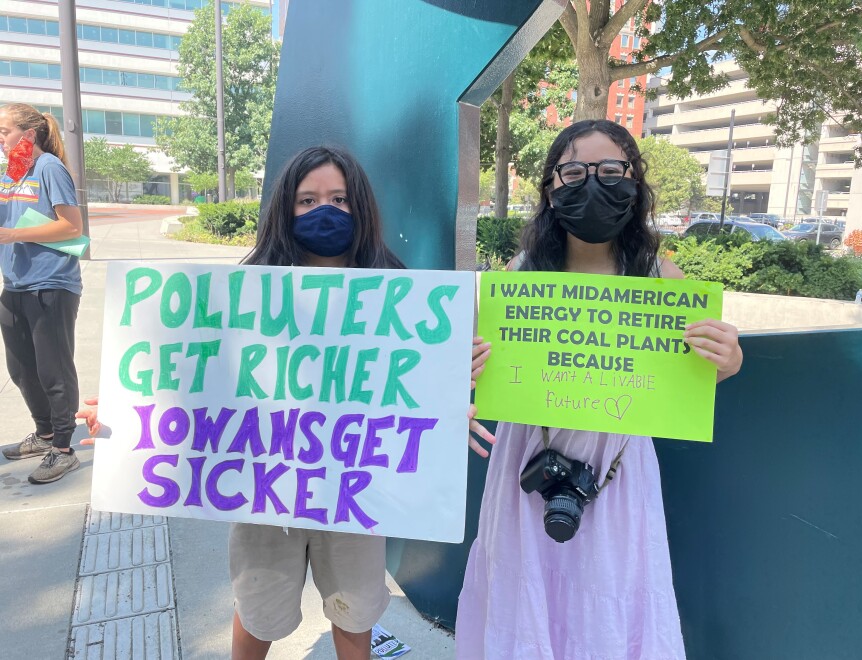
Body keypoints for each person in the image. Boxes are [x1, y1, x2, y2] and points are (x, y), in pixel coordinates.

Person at [458, 120, 743, 659]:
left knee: (609, 595)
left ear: (634, 182)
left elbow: (698, 375)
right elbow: (477, 367)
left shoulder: (661, 277)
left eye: (611, 171)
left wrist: (727, 359)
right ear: (550, 187)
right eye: (573, 172)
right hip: (528, 462)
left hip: (616, 469)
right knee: (524, 594)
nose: (593, 183)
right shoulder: (519, 274)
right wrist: (465, 383)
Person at [230, 146, 405, 660]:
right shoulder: (246, 288)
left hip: (356, 485)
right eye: (306, 200)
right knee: (258, 604)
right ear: (286, 210)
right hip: (268, 481)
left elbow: (414, 384)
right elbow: (198, 375)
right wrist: (129, 410)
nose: (322, 210)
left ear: (361, 208)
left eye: (338, 199)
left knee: (356, 607)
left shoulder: (399, 291)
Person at [0, 103, 85, 484]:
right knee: (21, 369)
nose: (0, 139)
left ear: (28, 135)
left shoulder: (50, 167)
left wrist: (14, 234)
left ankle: (64, 450)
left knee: (53, 371)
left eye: (5, 131)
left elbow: (72, 227)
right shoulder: (12, 175)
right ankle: (45, 433)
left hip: (51, 284)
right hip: (15, 283)